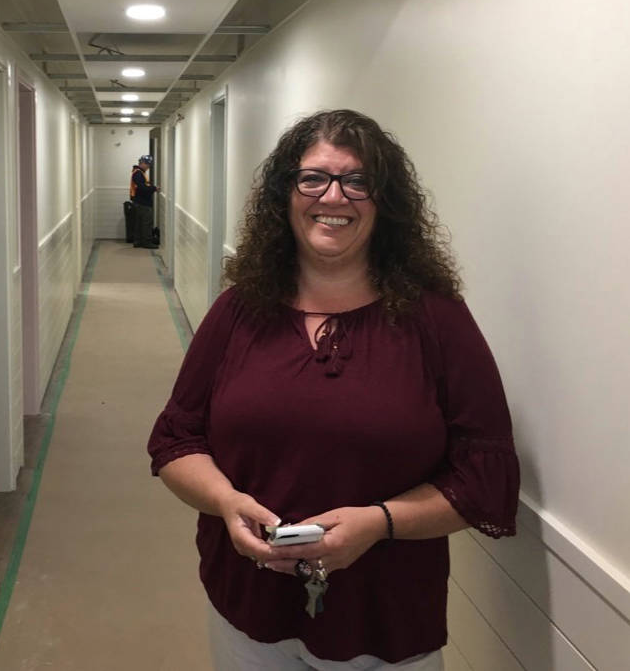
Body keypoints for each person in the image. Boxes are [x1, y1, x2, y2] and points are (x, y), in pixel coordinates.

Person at [147, 110, 519, 670]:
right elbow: (176, 441)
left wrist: (381, 523)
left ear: (384, 200)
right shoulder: (239, 311)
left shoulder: (436, 319)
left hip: (388, 619)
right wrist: (225, 502)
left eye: (358, 180)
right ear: (286, 194)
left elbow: (484, 476)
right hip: (248, 608)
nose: (334, 196)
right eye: (313, 177)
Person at [131, 154, 159, 248]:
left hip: (139, 202)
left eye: (149, 165)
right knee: (146, 223)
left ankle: (138, 241)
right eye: (147, 164)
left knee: (139, 223)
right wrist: (154, 188)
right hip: (143, 202)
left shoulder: (138, 172)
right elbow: (142, 188)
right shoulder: (138, 173)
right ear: (142, 163)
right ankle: (146, 242)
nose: (148, 167)